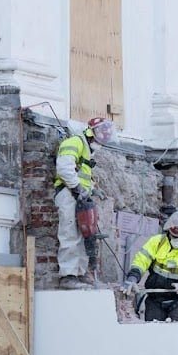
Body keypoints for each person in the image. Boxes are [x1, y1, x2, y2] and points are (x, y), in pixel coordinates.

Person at [120, 211, 178, 322]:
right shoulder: (157, 242)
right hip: (154, 299)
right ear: (168, 232)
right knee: (154, 334)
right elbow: (141, 260)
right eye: (175, 237)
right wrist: (132, 278)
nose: (177, 240)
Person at [53, 117, 107, 290]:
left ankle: (80, 273)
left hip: (80, 195)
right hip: (68, 193)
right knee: (69, 233)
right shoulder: (75, 142)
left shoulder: (87, 149)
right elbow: (64, 167)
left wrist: (91, 188)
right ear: (92, 134)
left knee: (85, 234)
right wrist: (77, 188)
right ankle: (68, 276)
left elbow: (80, 172)